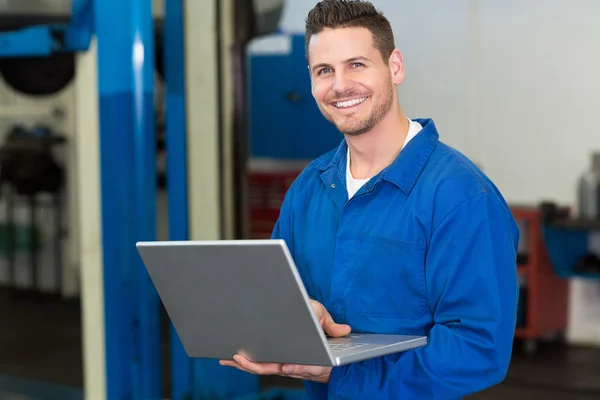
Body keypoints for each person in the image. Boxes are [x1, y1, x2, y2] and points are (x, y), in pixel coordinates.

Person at [220, 0, 520, 398]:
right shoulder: (309, 189)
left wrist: (340, 375)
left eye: (357, 64)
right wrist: (290, 323)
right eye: (324, 71)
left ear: (394, 67)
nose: (340, 85)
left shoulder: (461, 196)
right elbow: (276, 295)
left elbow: (478, 348)